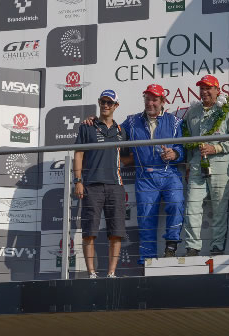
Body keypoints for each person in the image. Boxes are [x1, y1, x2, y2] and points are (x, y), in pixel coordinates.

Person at [120, 84, 184, 264]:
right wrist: (97, 122)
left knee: (177, 204)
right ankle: (147, 263)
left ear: (163, 101)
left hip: (169, 174)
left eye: (154, 99)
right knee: (146, 219)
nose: (150, 103)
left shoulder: (175, 122)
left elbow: (183, 148)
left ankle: (171, 247)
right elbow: (114, 134)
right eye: (147, 99)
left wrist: (175, 154)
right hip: (145, 177)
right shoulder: (132, 121)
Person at [183, 75, 229, 256]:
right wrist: (187, 163)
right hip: (196, 164)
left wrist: (216, 148)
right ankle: (192, 247)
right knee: (192, 206)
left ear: (218, 90)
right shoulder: (192, 112)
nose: (204, 91)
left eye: (209, 88)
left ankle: (217, 246)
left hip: (220, 163)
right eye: (202, 88)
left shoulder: (228, 109)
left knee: (219, 207)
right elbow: (186, 140)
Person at [74, 89, 129, 279]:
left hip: (116, 185)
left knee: (116, 232)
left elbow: (128, 157)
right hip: (92, 185)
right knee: (89, 232)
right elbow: (78, 154)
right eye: (103, 102)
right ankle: (91, 273)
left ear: (116, 106)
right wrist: (78, 180)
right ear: (99, 103)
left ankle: (111, 273)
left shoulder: (122, 131)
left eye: (109, 102)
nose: (105, 105)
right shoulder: (87, 126)